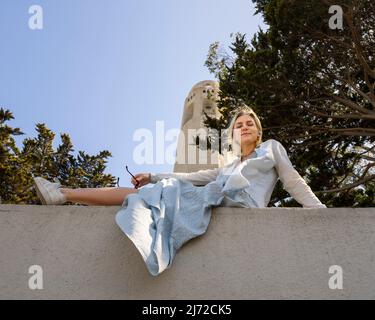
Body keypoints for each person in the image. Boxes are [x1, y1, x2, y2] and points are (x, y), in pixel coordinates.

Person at [33, 105, 326, 276]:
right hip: (214, 198)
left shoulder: (271, 148)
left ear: (258, 130)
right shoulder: (228, 163)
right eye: (239, 125)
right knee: (146, 194)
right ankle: (64, 193)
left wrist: (318, 211)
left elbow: (292, 180)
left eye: (250, 123)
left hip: (242, 204)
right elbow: (194, 176)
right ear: (233, 134)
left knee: (159, 196)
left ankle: (66, 194)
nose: (245, 127)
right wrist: (153, 176)